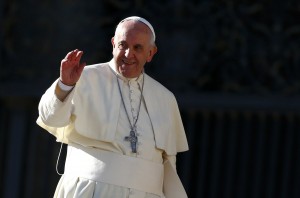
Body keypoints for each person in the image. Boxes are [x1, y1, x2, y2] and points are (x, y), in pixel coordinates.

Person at [37, 16, 189, 198]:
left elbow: (169, 164)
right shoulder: (82, 78)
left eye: (137, 48)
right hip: (89, 191)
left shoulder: (165, 99)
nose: (128, 54)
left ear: (151, 53)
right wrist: (65, 86)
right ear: (113, 44)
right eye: (123, 45)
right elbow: (50, 118)